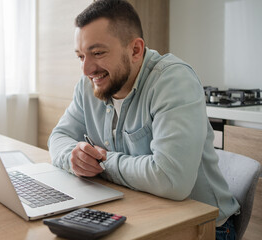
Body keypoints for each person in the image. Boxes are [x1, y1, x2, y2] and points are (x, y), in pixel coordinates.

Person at [47, 0, 240, 239]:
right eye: (80, 56)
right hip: (137, 212)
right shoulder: (89, 85)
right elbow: (58, 138)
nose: (87, 69)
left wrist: (102, 162)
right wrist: (74, 158)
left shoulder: (173, 81)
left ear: (135, 50)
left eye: (97, 53)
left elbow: (171, 180)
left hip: (205, 227)